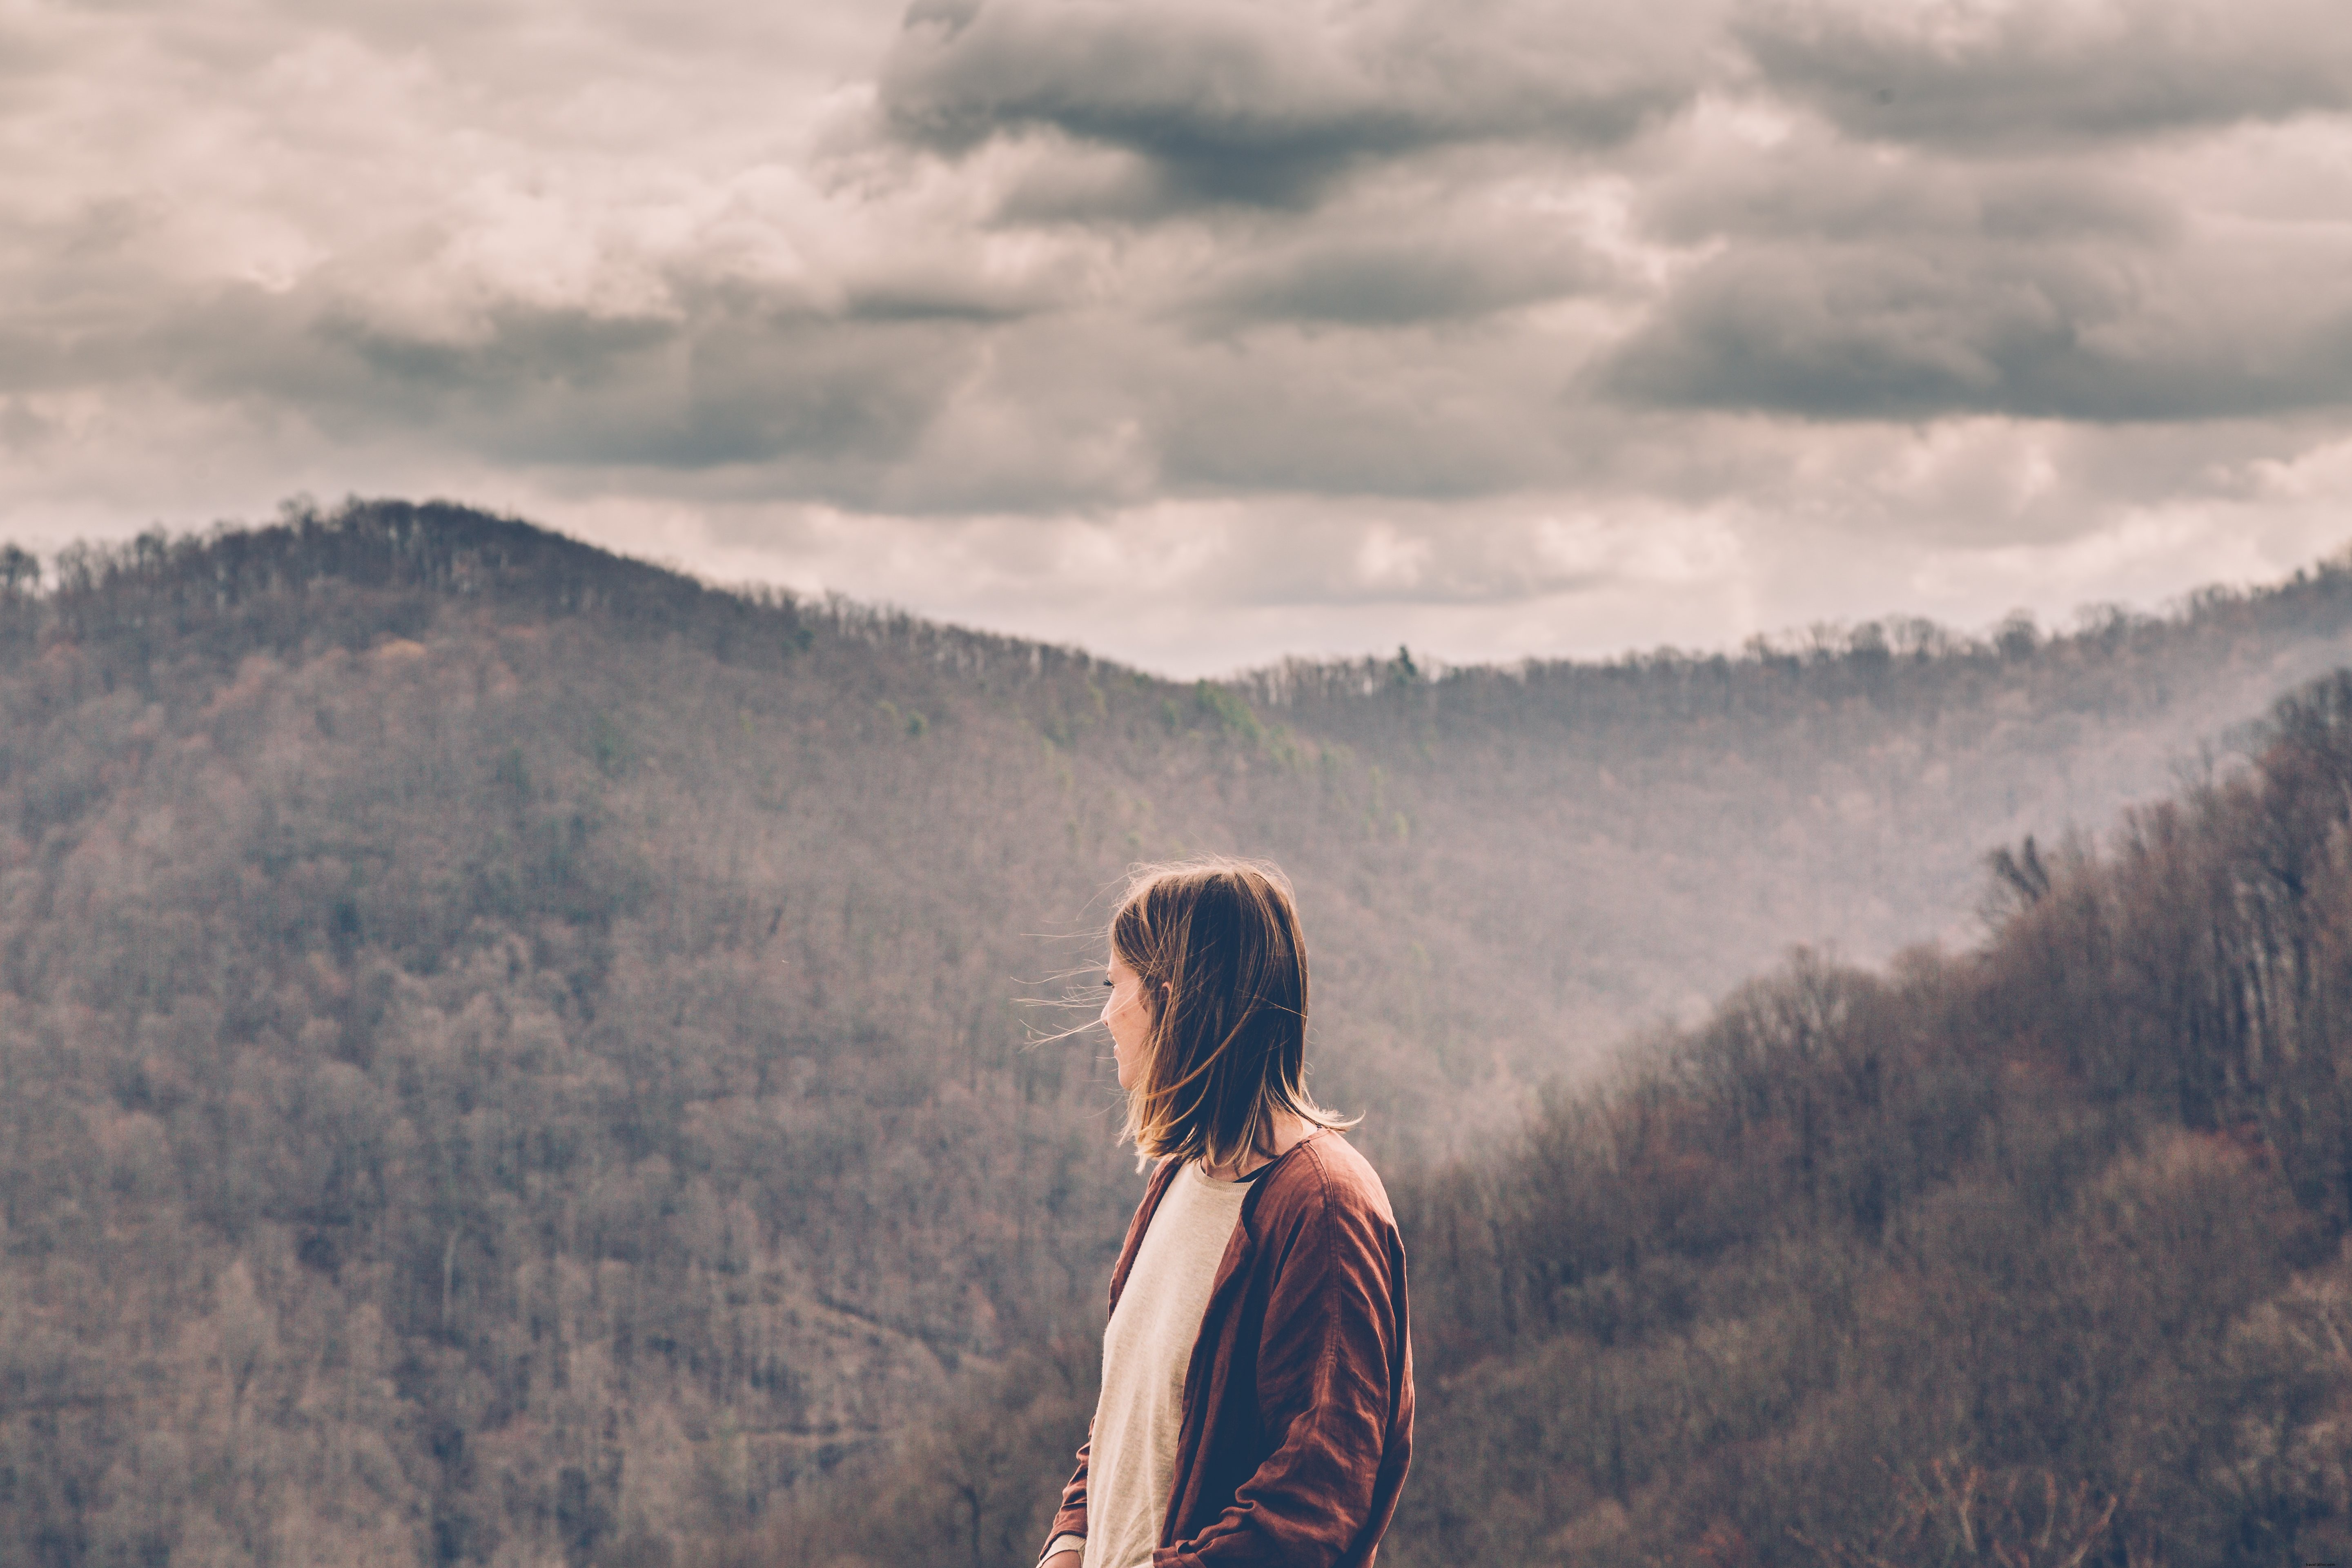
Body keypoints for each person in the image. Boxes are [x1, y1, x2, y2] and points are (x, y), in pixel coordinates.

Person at [1036, 859, 1413, 1568]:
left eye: (1115, 987)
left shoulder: (1325, 1210)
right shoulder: (1181, 1175)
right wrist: (1069, 1542)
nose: (1106, 1016)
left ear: (1172, 1001)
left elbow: (1316, 1504)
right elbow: (1131, 1416)